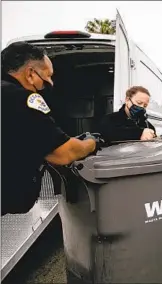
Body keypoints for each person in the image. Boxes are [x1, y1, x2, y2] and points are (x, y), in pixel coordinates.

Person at [1, 42, 98, 216]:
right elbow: (63, 154)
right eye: (47, 77)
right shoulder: (22, 99)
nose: (50, 83)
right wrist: (92, 143)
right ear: (30, 74)